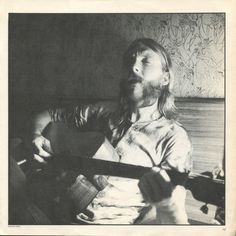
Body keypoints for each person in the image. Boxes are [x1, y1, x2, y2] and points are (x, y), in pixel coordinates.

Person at [30, 38, 192, 224]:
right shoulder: (102, 112)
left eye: (145, 61)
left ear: (165, 78)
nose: (133, 67)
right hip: (58, 209)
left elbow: (162, 209)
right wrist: (36, 135)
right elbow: (48, 114)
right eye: (129, 61)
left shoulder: (174, 137)